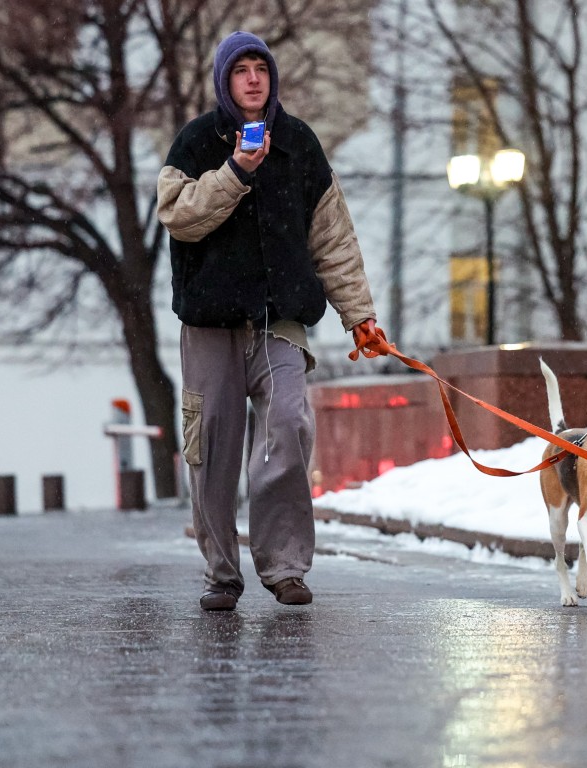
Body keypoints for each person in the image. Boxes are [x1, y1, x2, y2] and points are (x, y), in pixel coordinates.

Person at [157, 30, 382, 611]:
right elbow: (177, 217)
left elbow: (333, 239)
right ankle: (222, 573)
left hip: (278, 321)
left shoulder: (300, 144)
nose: (253, 78)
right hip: (209, 325)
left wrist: (359, 316)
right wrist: (235, 170)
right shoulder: (197, 142)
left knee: (289, 423)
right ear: (224, 82)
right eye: (241, 70)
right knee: (212, 447)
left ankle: (284, 567)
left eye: (260, 68)